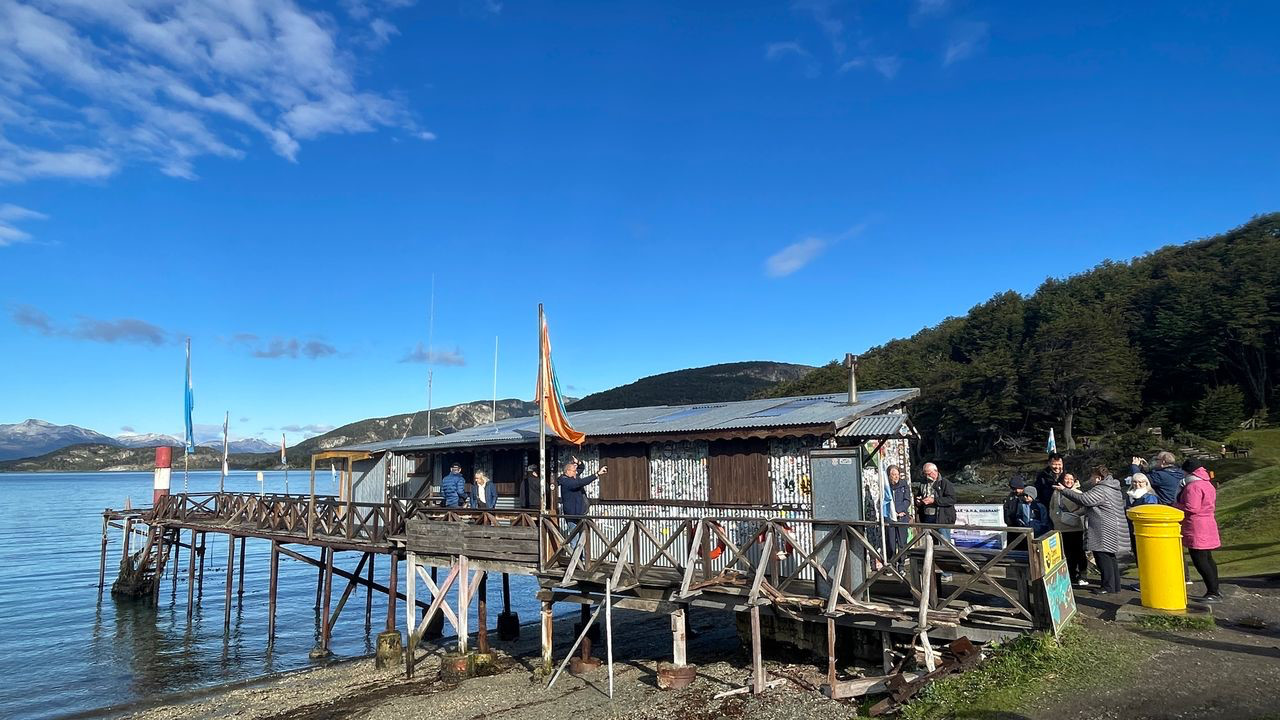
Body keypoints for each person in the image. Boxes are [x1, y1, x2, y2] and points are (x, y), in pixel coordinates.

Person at [1056, 465, 1126, 594]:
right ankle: (1115, 585)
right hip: (1112, 526)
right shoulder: (1113, 488)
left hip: (1103, 528)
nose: (1091, 479)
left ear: (1098, 478)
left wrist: (1064, 490)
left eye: (1092, 477)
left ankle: (1108, 586)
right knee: (1110, 556)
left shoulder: (1101, 489)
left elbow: (1084, 499)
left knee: (1102, 557)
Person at [1177, 466, 1222, 603]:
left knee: (1200, 560)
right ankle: (1215, 589)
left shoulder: (1193, 486)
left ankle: (1212, 592)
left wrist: (1175, 505)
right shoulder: (1207, 484)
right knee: (1208, 558)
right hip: (1208, 523)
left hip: (1196, 526)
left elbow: (1192, 507)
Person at [1050, 473, 1089, 586]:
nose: (1069, 481)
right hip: (1061, 528)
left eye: (1071, 479)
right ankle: (1071, 574)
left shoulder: (1078, 493)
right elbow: (1052, 508)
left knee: (1079, 552)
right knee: (1066, 553)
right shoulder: (1056, 492)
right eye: (1066, 479)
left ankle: (1083, 575)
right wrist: (1055, 520)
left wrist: (1074, 514)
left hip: (1075, 527)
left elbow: (1084, 508)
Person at [1124, 472, 1159, 569]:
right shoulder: (1129, 495)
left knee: (1147, 555)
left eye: (1140, 482)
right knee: (1137, 554)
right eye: (1134, 482)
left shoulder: (1149, 496)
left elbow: (1150, 514)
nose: (1137, 484)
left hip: (1145, 530)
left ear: (1146, 483)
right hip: (1132, 529)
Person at [884, 465, 911, 562]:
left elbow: (907, 500)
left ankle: (901, 564)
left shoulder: (904, 485)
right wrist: (892, 512)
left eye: (897, 474)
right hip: (890, 518)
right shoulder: (886, 487)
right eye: (893, 474)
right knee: (890, 543)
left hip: (902, 517)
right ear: (889, 476)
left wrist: (898, 511)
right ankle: (891, 563)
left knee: (902, 543)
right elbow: (884, 502)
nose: (896, 477)